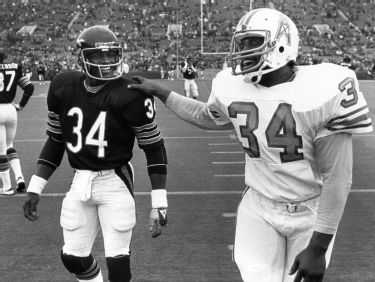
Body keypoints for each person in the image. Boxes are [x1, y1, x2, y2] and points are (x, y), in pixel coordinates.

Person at [129, 8, 373, 282]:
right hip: (259, 204)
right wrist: (161, 91)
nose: (243, 50)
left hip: (310, 209)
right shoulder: (233, 86)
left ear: (281, 44)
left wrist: (318, 247)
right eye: (241, 42)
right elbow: (206, 115)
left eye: (252, 42)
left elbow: (338, 177)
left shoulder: (322, 91)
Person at [22, 26, 168, 282]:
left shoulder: (131, 93)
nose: (107, 62)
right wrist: (35, 187)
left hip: (115, 180)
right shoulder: (63, 87)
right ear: (81, 57)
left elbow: (153, 147)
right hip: (81, 179)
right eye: (98, 56)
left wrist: (159, 203)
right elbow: (56, 141)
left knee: (119, 265)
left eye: (111, 55)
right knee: (73, 257)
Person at [0, 49, 34, 195]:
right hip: (10, 109)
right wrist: (21, 105)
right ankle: (19, 177)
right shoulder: (14, 66)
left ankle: (7, 187)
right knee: (9, 146)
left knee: (1, 151)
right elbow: (29, 87)